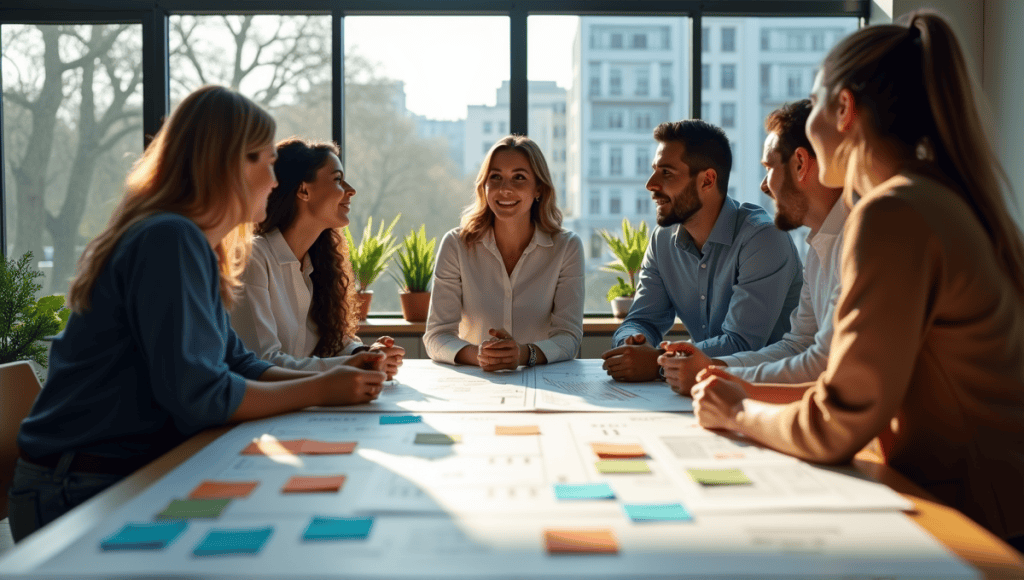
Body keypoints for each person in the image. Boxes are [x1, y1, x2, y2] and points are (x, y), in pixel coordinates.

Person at [688, 11, 1024, 543]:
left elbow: (837, 420)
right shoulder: (933, 197)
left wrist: (739, 410)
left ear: (843, 109)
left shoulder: (892, 213)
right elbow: (852, 387)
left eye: (816, 101)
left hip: (976, 523)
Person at [8, 86, 386, 542]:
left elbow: (238, 362)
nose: (273, 180)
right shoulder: (170, 239)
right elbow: (200, 393)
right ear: (226, 164)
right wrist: (323, 388)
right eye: (265, 162)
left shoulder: (191, 243)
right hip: (83, 485)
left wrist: (337, 375)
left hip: (110, 472)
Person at [659, 101, 846, 391]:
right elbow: (798, 346)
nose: (764, 185)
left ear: (800, 164)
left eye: (769, 167)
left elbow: (823, 364)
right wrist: (715, 367)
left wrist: (716, 375)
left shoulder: (856, 241)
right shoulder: (819, 246)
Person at [602, 119, 802, 382]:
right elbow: (642, 319)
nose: (650, 184)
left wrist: (659, 362)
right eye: (654, 171)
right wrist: (633, 342)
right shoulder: (663, 240)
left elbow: (742, 343)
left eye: (667, 173)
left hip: (767, 389)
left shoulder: (763, 238)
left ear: (707, 180)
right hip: (702, 386)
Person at [231, 138, 405, 379]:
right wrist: (351, 365)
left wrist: (366, 353)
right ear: (304, 190)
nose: (350, 189)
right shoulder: (254, 258)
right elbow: (262, 362)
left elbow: (336, 342)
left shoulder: (318, 263)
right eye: (337, 179)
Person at [423, 135, 584, 371]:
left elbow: (569, 337)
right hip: (477, 383)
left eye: (519, 178)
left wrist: (523, 354)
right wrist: (481, 355)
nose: (504, 189)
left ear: (538, 188)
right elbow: (436, 336)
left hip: (545, 386)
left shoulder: (567, 247)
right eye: (495, 177)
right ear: (484, 186)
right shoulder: (456, 244)